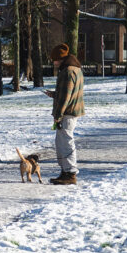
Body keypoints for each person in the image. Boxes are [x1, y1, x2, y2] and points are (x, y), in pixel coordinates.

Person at [44, 43, 84, 185]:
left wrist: (58, 115)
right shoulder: (75, 69)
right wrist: (55, 94)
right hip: (71, 111)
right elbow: (69, 93)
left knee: (65, 143)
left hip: (67, 113)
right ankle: (65, 171)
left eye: (54, 59)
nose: (53, 62)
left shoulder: (68, 71)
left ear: (59, 59)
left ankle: (70, 173)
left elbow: (66, 96)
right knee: (61, 142)